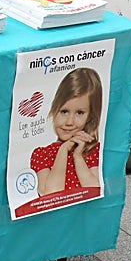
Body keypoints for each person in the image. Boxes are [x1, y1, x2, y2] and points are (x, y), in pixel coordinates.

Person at [31, 67, 103, 196]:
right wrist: (63, 150)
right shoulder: (41, 154)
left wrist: (78, 157)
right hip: (56, 216)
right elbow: (50, 194)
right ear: (54, 110)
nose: (69, 122)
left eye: (80, 113)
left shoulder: (94, 149)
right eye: (64, 111)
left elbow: (95, 191)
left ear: (90, 117)